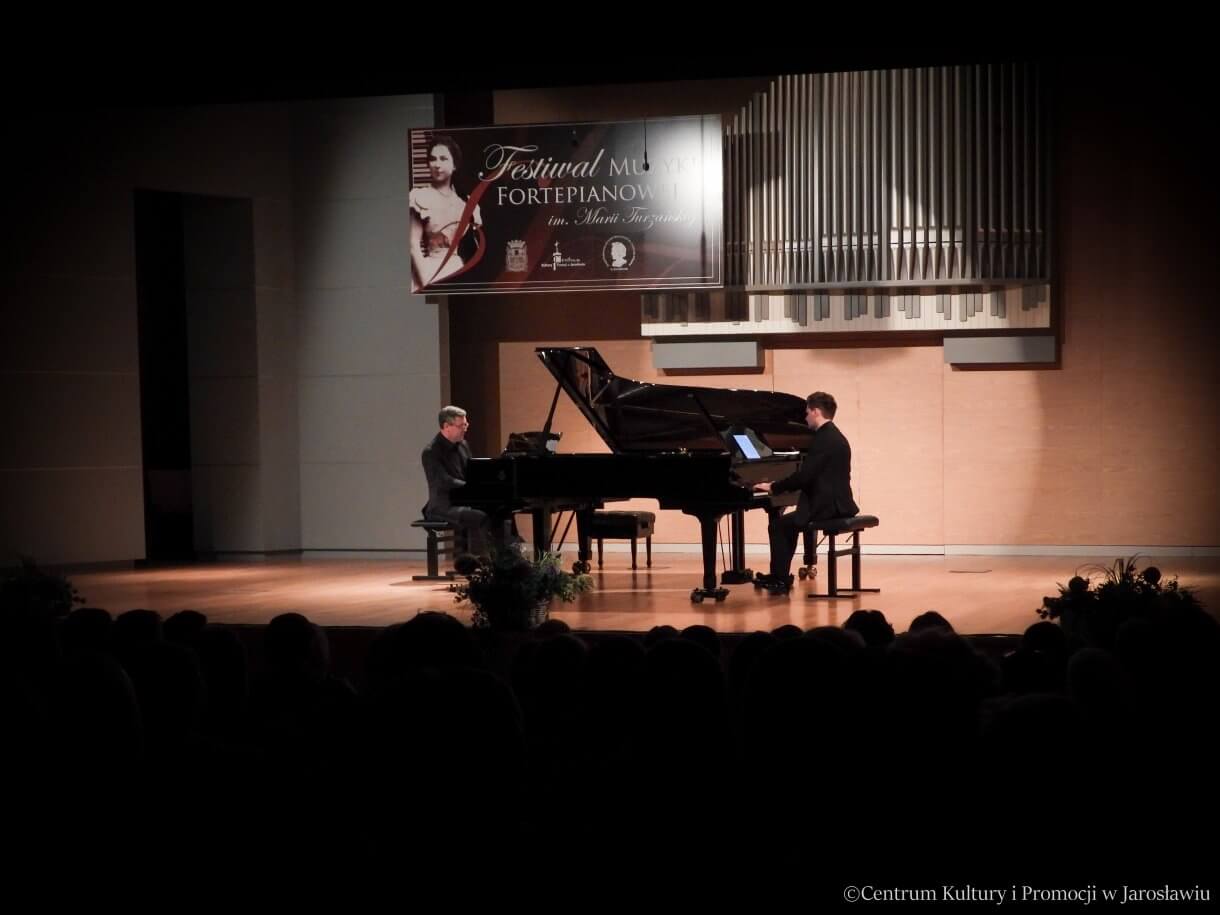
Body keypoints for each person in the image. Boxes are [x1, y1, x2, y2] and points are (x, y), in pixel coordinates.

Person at [753, 391, 859, 594]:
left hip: (827, 507)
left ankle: (780, 579)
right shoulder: (835, 436)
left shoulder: (823, 439)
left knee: (778, 526)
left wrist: (774, 487)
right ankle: (780, 576)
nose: (805, 417)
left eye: (807, 413)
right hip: (839, 503)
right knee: (786, 525)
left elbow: (804, 477)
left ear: (816, 411)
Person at [410, 135, 482, 291]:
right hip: (428, 271)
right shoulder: (420, 197)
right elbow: (412, 244)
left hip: (457, 269)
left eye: (443, 159)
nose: (437, 164)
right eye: (433, 159)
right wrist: (427, 282)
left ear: (454, 165)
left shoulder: (466, 202)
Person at [421, 406, 491, 557]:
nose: (465, 428)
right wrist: (471, 487)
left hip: (463, 500)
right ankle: (480, 561)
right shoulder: (431, 452)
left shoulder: (463, 445)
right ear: (446, 426)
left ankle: (505, 556)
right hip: (443, 506)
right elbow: (444, 481)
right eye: (461, 425)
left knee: (499, 510)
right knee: (478, 516)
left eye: (466, 424)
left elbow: (471, 472)